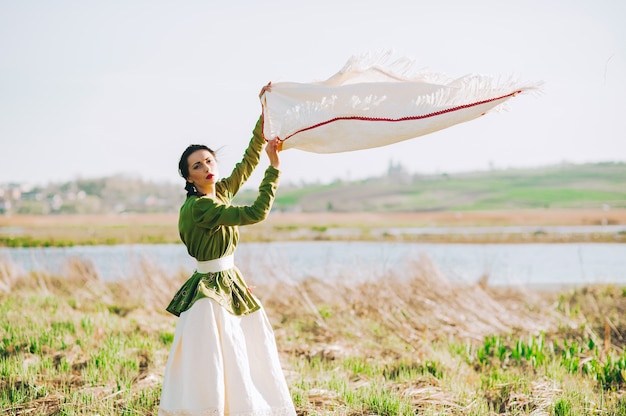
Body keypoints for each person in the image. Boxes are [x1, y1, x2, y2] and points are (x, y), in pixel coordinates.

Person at [158, 84, 296, 416]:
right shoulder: (199, 207)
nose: (206, 167)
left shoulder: (218, 192)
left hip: (228, 283)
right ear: (189, 178)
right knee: (216, 361)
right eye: (197, 166)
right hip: (209, 296)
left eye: (208, 160)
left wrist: (266, 111)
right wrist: (274, 169)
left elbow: (249, 160)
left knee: (243, 353)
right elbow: (255, 213)